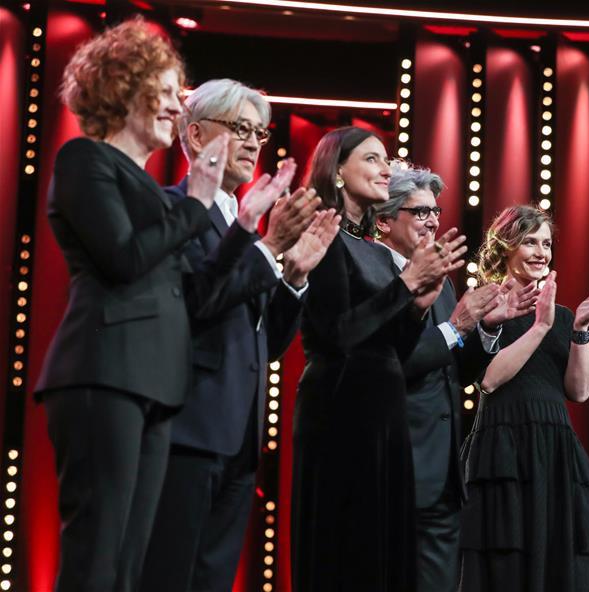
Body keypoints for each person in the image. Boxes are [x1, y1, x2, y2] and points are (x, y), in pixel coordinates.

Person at [33, 19, 287, 592]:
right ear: (127, 88)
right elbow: (124, 259)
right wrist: (204, 206)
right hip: (105, 371)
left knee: (129, 565)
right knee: (98, 553)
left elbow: (194, 291)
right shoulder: (84, 161)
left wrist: (250, 235)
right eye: (169, 92)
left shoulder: (149, 189)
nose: (177, 108)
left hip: (154, 384)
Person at [140, 79, 340, 592]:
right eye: (240, 129)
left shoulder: (245, 224)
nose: (253, 143)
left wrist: (293, 278)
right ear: (197, 134)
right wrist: (270, 245)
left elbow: (265, 343)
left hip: (240, 435)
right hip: (188, 427)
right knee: (169, 574)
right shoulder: (171, 209)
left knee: (213, 579)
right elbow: (197, 304)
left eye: (259, 132)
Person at [291, 127, 466, 591]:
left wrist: (419, 306)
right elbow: (338, 334)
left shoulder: (369, 248)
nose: (385, 168)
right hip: (341, 412)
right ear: (338, 171)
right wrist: (407, 288)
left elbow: (393, 346)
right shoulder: (324, 234)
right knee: (347, 558)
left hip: (382, 414)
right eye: (371, 159)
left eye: (386, 159)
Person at [372, 165, 538, 592]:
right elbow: (390, 361)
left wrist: (486, 328)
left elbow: (456, 372)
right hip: (391, 458)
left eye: (436, 211)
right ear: (384, 220)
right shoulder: (371, 274)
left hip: (443, 470)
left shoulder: (444, 283)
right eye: (421, 211)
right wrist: (457, 327)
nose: (433, 221)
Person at [458, 205, 589, 591]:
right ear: (506, 246)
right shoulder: (485, 305)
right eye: (530, 242)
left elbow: (579, 390)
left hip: (555, 447)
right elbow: (490, 380)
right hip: (504, 446)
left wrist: (579, 330)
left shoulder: (560, 315)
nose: (542, 252)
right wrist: (539, 328)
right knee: (507, 562)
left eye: (546, 243)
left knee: (562, 560)